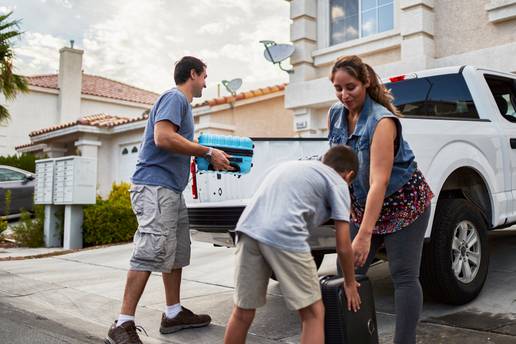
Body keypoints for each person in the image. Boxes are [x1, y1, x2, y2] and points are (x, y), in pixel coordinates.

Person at [106, 56, 233, 344]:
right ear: (193, 73)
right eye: (204, 76)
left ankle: (173, 313)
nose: (206, 82)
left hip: (170, 189)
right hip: (154, 187)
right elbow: (163, 137)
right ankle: (122, 324)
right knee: (150, 250)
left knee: (175, 253)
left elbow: (174, 144)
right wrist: (206, 151)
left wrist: (204, 156)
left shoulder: (182, 106)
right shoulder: (175, 97)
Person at [327, 55, 434, 344]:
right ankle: (357, 337)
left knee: (403, 274)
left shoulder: (382, 121)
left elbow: (379, 181)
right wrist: (347, 212)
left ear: (366, 82)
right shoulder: (335, 114)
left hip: (403, 203)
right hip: (363, 205)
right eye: (338, 88)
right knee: (347, 271)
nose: (344, 95)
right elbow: (339, 169)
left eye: (350, 87)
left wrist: (363, 234)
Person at [224, 145, 361, 344]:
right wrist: (349, 283)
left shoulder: (295, 167)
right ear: (349, 175)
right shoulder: (338, 183)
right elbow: (343, 245)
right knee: (313, 313)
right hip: (285, 234)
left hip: (248, 229)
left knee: (242, 312)